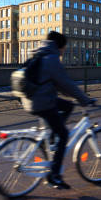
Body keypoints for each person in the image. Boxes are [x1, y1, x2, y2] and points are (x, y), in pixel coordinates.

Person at [19, 31, 94, 189]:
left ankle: (52, 138)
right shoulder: (52, 59)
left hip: (33, 98)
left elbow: (56, 84)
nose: (64, 51)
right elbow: (66, 84)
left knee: (68, 106)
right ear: (59, 46)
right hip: (41, 102)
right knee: (64, 134)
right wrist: (84, 99)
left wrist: (74, 98)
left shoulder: (39, 53)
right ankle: (54, 175)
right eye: (64, 48)